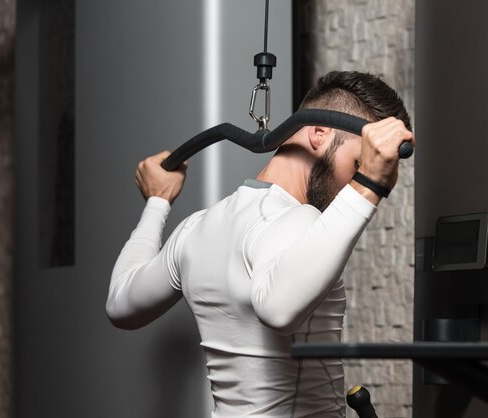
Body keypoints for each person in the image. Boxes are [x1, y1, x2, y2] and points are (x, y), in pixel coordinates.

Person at [107, 71, 414, 417]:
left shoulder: (196, 228)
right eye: (358, 163)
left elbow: (120, 303)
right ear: (318, 132)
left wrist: (158, 202)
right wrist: (369, 183)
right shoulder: (298, 220)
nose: (352, 182)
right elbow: (277, 309)